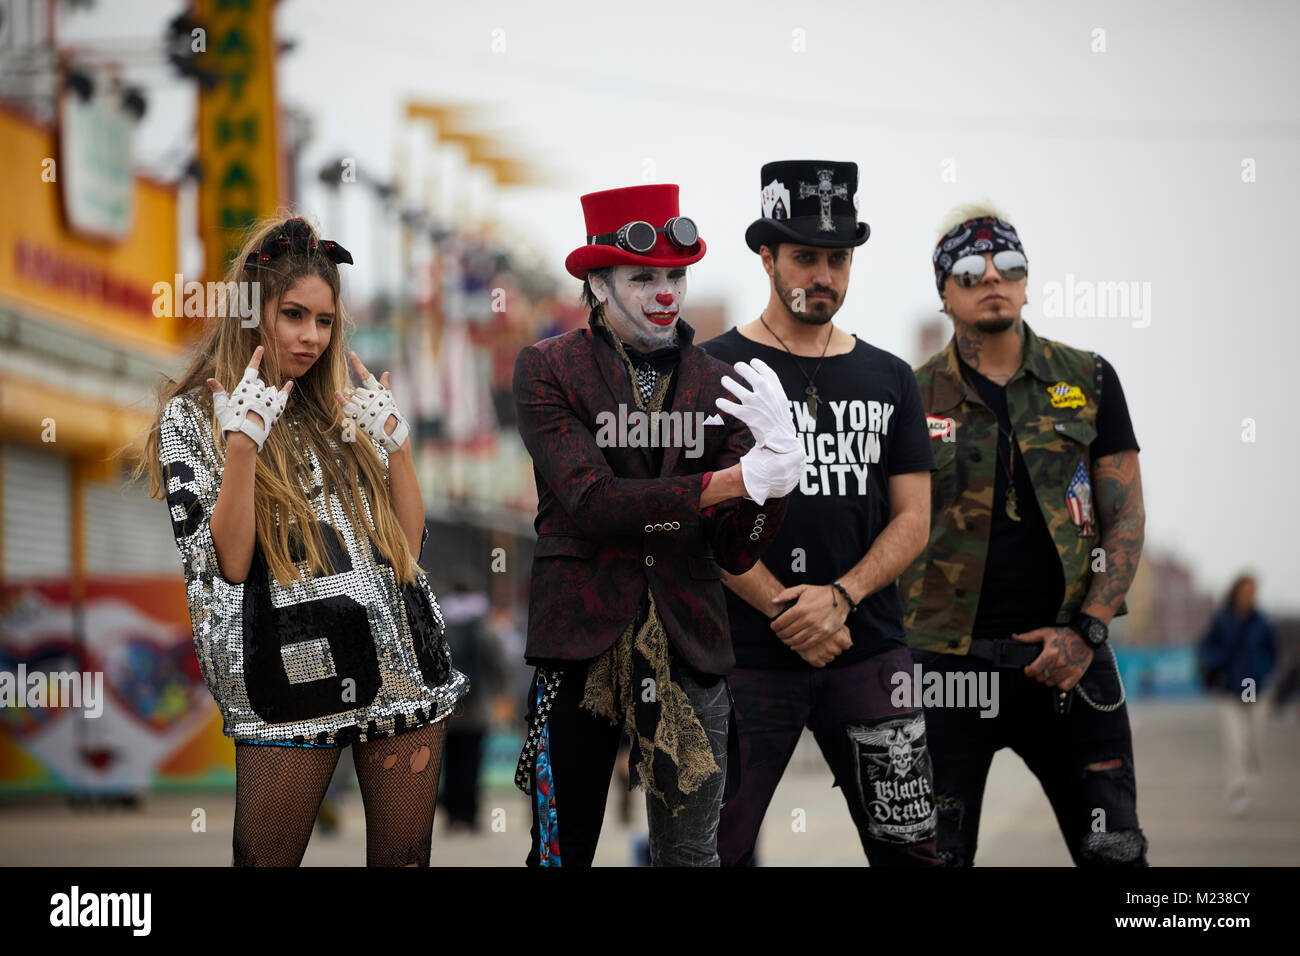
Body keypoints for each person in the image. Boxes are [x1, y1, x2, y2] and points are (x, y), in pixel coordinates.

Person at [138, 216, 468, 866]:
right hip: (285, 683)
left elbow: (406, 552)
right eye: (294, 315)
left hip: (400, 668)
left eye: (324, 319)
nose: (312, 336)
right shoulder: (192, 419)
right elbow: (226, 566)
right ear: (251, 312)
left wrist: (398, 449)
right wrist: (242, 447)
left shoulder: (341, 409)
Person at [512, 183, 803, 867]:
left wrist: (777, 484)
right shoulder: (546, 367)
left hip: (689, 643)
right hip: (580, 645)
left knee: (691, 858)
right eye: (643, 276)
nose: (665, 291)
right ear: (598, 283)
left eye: (675, 275)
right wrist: (737, 480)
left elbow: (735, 549)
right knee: (559, 856)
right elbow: (593, 500)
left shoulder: (721, 382)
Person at [699, 160, 941, 866]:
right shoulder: (714, 370)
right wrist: (784, 607)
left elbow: (914, 519)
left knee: (912, 850)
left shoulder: (890, 377)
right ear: (767, 256)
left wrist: (839, 598)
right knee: (712, 851)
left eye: (837, 259)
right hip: (740, 655)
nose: (823, 275)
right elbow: (695, 520)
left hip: (867, 649)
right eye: (805, 256)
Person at [900, 203, 1149, 866]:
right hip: (946, 673)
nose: (993, 278)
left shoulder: (1087, 379)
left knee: (1116, 854)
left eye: (1009, 266)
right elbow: (886, 529)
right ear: (944, 292)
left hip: (1069, 664)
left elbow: (1124, 516)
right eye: (971, 269)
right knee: (934, 860)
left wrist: (1089, 630)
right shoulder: (910, 395)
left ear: (1027, 282)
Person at [1199, 573, 1277, 815]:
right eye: (1244, 590)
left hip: (1255, 690)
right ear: (1235, 592)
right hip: (1229, 691)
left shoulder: (1262, 621)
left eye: (1251, 591)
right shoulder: (1222, 619)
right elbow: (1207, 648)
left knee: (1254, 739)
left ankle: (1250, 779)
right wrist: (1218, 667)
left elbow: (1272, 654)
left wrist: (1261, 673)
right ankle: (1238, 789)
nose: (1247, 596)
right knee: (1235, 740)